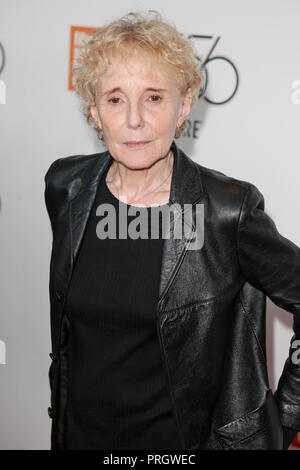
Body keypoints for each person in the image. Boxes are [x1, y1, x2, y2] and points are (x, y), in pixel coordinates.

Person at [44, 10, 299, 450]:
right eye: (116, 99)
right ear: (94, 109)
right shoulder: (67, 187)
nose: (135, 120)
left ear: (183, 106)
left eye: (154, 98)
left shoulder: (225, 211)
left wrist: (282, 417)